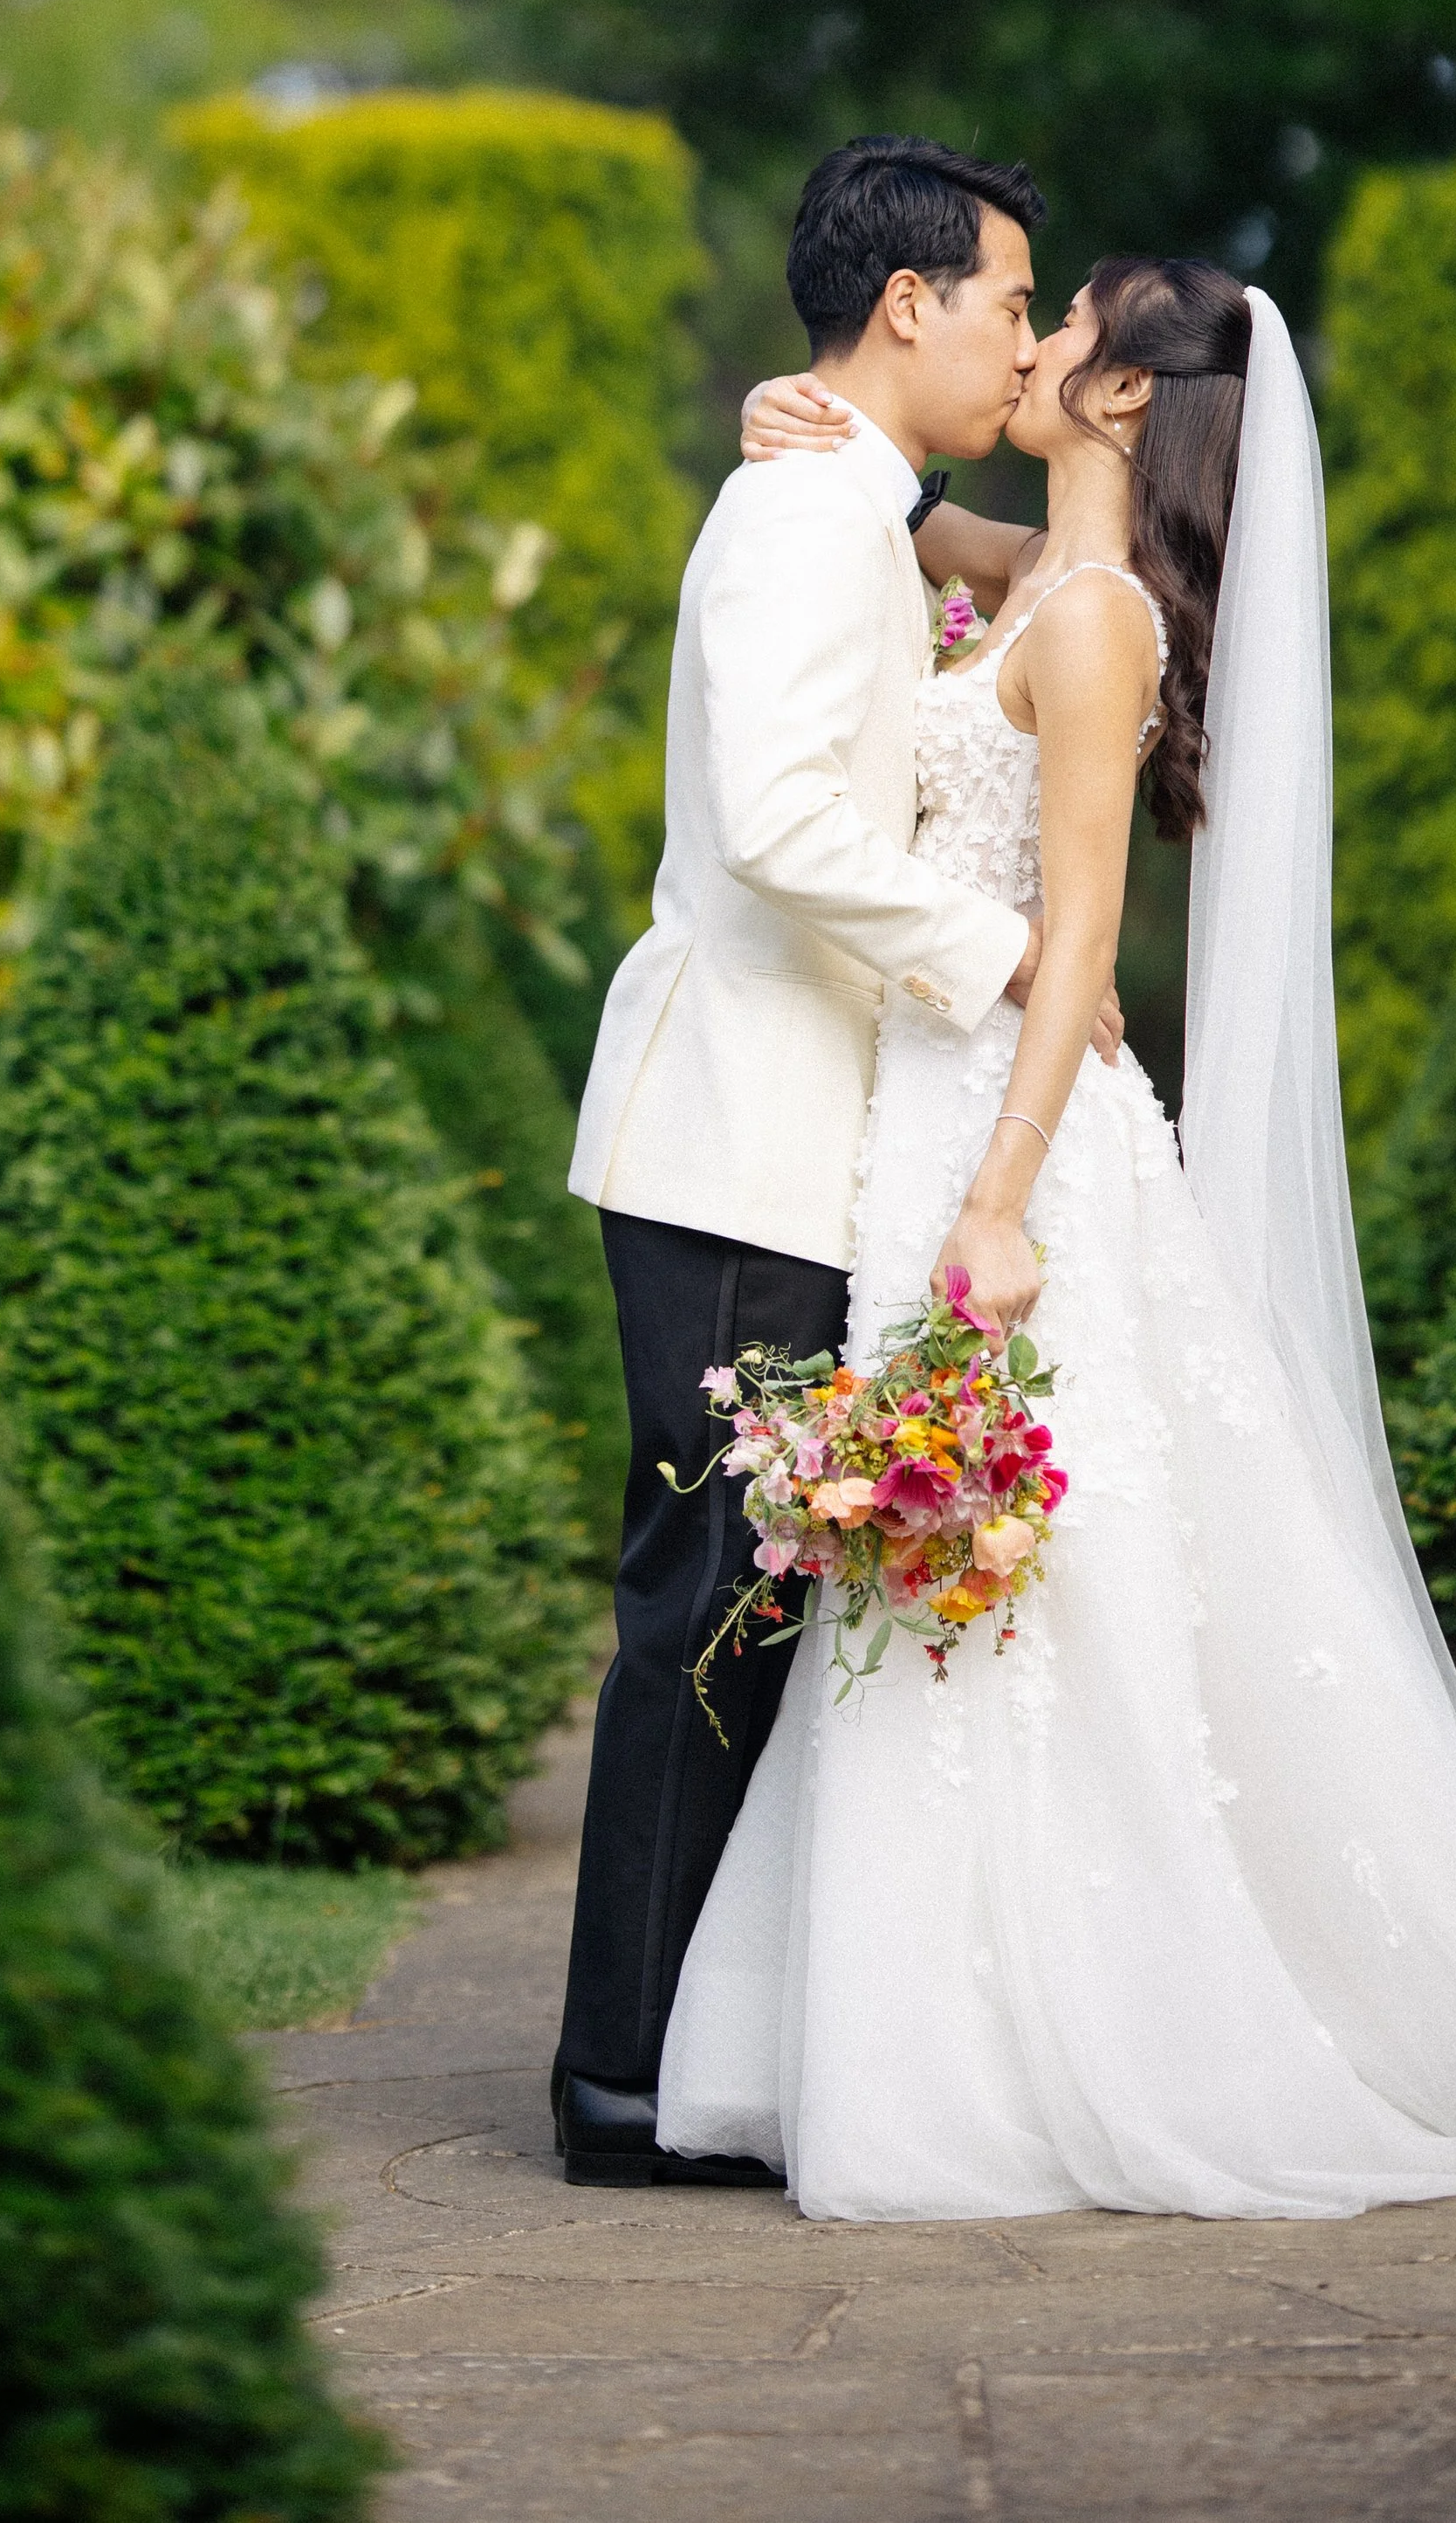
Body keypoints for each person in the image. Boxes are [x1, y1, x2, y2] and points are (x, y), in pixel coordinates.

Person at [653, 258, 1456, 2223]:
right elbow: (907, 513)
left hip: (1011, 1136)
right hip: (929, 1110)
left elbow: (1085, 936)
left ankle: (1056, 2032)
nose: (1029, 343)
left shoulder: (1098, 620)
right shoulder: (1040, 572)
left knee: (1048, 1575)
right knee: (994, 1574)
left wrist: (998, 1200)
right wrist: (802, 408)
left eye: (1062, 323)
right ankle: (937, 2025)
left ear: (1120, 396)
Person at [553, 135, 1122, 2187]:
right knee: (706, 1597)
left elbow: (957, 559)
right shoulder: (803, 512)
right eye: (1006, 301)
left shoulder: (846, 496)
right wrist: (1011, 952)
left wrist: (985, 511)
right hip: (738, 1138)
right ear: (907, 303)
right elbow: (783, 822)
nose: (1020, 341)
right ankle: (619, 2079)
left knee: (759, 1594)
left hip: (797, 1136)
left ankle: (694, 2046)